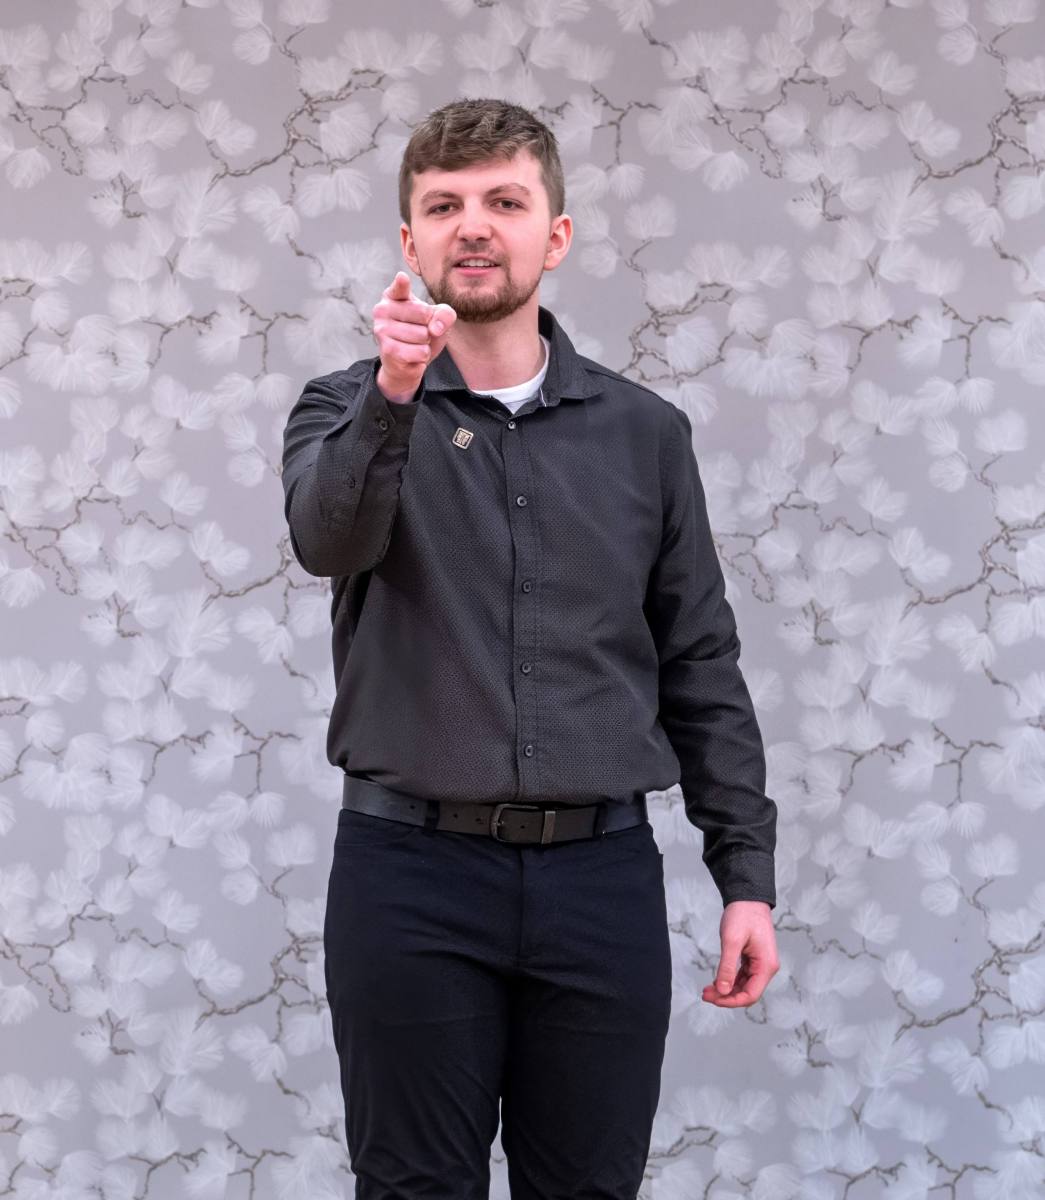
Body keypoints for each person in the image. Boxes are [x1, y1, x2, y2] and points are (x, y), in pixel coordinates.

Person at [281, 97, 780, 1200]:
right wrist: (394, 394)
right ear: (409, 241)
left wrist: (743, 875)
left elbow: (699, 662)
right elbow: (328, 541)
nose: (473, 225)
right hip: (409, 879)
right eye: (443, 206)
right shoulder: (343, 407)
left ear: (553, 236)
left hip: (600, 882)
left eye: (503, 202)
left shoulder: (645, 435)